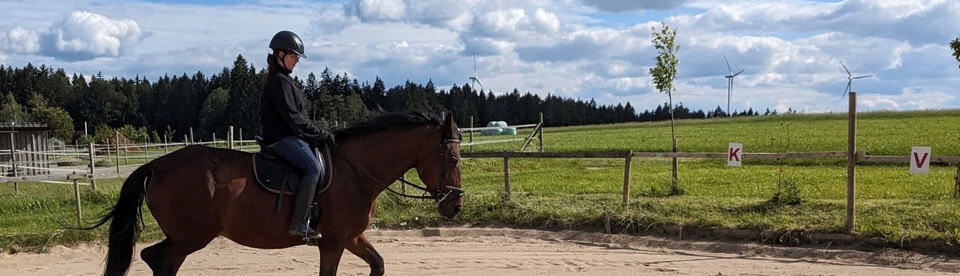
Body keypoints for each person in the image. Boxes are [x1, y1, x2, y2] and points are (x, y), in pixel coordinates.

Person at [259, 30, 333, 239]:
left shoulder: (284, 80)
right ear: (281, 54)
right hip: (280, 138)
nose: (297, 60)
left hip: (290, 136)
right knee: (313, 167)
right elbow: (294, 118)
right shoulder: (279, 82)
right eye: (294, 56)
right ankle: (299, 223)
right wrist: (320, 133)